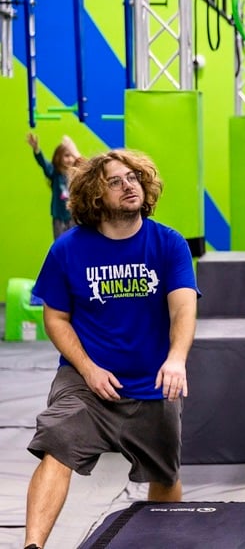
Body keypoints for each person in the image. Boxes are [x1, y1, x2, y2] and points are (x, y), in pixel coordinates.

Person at [23, 149, 199, 549]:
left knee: (165, 473)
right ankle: (31, 546)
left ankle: (163, 542)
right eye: (115, 181)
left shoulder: (168, 243)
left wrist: (176, 359)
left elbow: (184, 306)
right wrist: (87, 368)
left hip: (152, 382)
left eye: (133, 177)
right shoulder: (68, 249)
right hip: (87, 382)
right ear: (95, 197)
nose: (129, 185)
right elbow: (56, 319)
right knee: (57, 443)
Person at [27, 133, 82, 239]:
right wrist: (36, 149)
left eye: (71, 156)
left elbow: (85, 167)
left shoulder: (76, 175)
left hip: (73, 217)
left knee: (74, 241)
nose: (70, 159)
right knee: (59, 242)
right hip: (59, 216)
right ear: (59, 157)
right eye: (66, 156)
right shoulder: (55, 174)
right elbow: (44, 164)